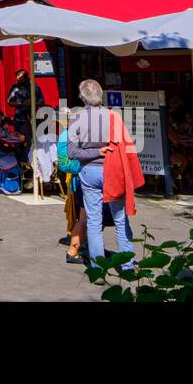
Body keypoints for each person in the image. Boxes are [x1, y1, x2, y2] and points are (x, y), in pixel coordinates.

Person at [68, 78, 134, 273]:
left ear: (82, 97)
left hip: (89, 171)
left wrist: (95, 152)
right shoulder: (114, 116)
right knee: (120, 218)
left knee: (94, 221)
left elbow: (71, 152)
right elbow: (125, 146)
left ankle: (98, 269)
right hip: (114, 169)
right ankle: (128, 266)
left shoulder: (77, 118)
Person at [57, 109, 86, 265]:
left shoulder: (74, 134)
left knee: (84, 218)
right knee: (82, 217)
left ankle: (81, 246)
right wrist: (84, 167)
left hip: (81, 180)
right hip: (78, 181)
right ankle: (74, 250)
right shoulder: (67, 136)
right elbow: (63, 164)